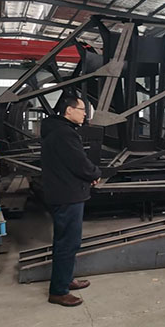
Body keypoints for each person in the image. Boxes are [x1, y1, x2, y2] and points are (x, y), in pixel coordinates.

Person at [41, 95, 102, 307]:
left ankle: (66, 279)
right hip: (67, 195)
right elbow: (79, 163)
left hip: (62, 192)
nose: (85, 114)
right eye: (82, 109)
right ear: (69, 110)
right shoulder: (65, 134)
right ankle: (59, 291)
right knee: (68, 242)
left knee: (65, 240)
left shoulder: (55, 130)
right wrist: (95, 173)